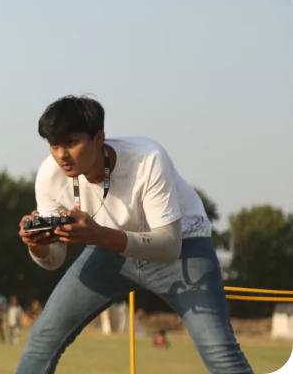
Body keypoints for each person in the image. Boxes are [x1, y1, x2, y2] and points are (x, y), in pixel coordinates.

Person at [14, 95, 252, 373]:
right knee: (43, 337)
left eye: (72, 142)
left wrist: (99, 236)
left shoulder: (147, 158)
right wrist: (37, 245)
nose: (61, 155)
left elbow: (168, 247)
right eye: (54, 145)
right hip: (109, 249)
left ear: (99, 138)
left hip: (182, 247)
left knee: (219, 351)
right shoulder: (49, 176)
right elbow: (54, 260)